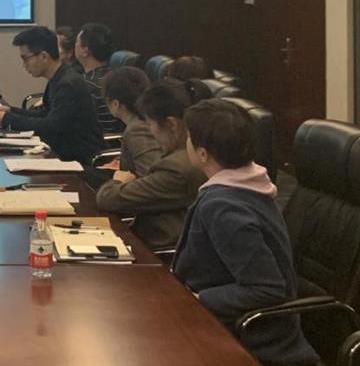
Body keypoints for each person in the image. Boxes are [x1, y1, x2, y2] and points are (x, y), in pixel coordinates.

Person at [174, 99, 318, 366]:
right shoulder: (250, 184)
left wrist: (197, 299)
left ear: (203, 154)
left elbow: (266, 288)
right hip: (232, 324)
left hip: (252, 340)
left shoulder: (222, 206)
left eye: (189, 138)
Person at [94, 78, 207, 249]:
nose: (150, 131)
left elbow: (108, 198)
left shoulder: (177, 168)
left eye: (150, 123)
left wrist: (118, 180)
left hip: (153, 251)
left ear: (171, 124)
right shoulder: (186, 155)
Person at [0, 26, 103, 166]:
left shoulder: (67, 84)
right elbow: (46, 114)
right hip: (61, 152)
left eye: (26, 59)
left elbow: (51, 127)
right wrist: (11, 111)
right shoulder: (58, 77)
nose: (24, 65)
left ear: (44, 56)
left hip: (78, 160)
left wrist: (7, 119)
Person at [100, 66, 161, 176]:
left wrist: (119, 180)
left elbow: (149, 176)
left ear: (115, 104)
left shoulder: (137, 130)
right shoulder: (143, 121)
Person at [75, 22, 121, 133]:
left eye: (76, 42)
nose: (74, 45)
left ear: (85, 51)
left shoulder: (88, 85)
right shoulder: (114, 75)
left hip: (100, 140)